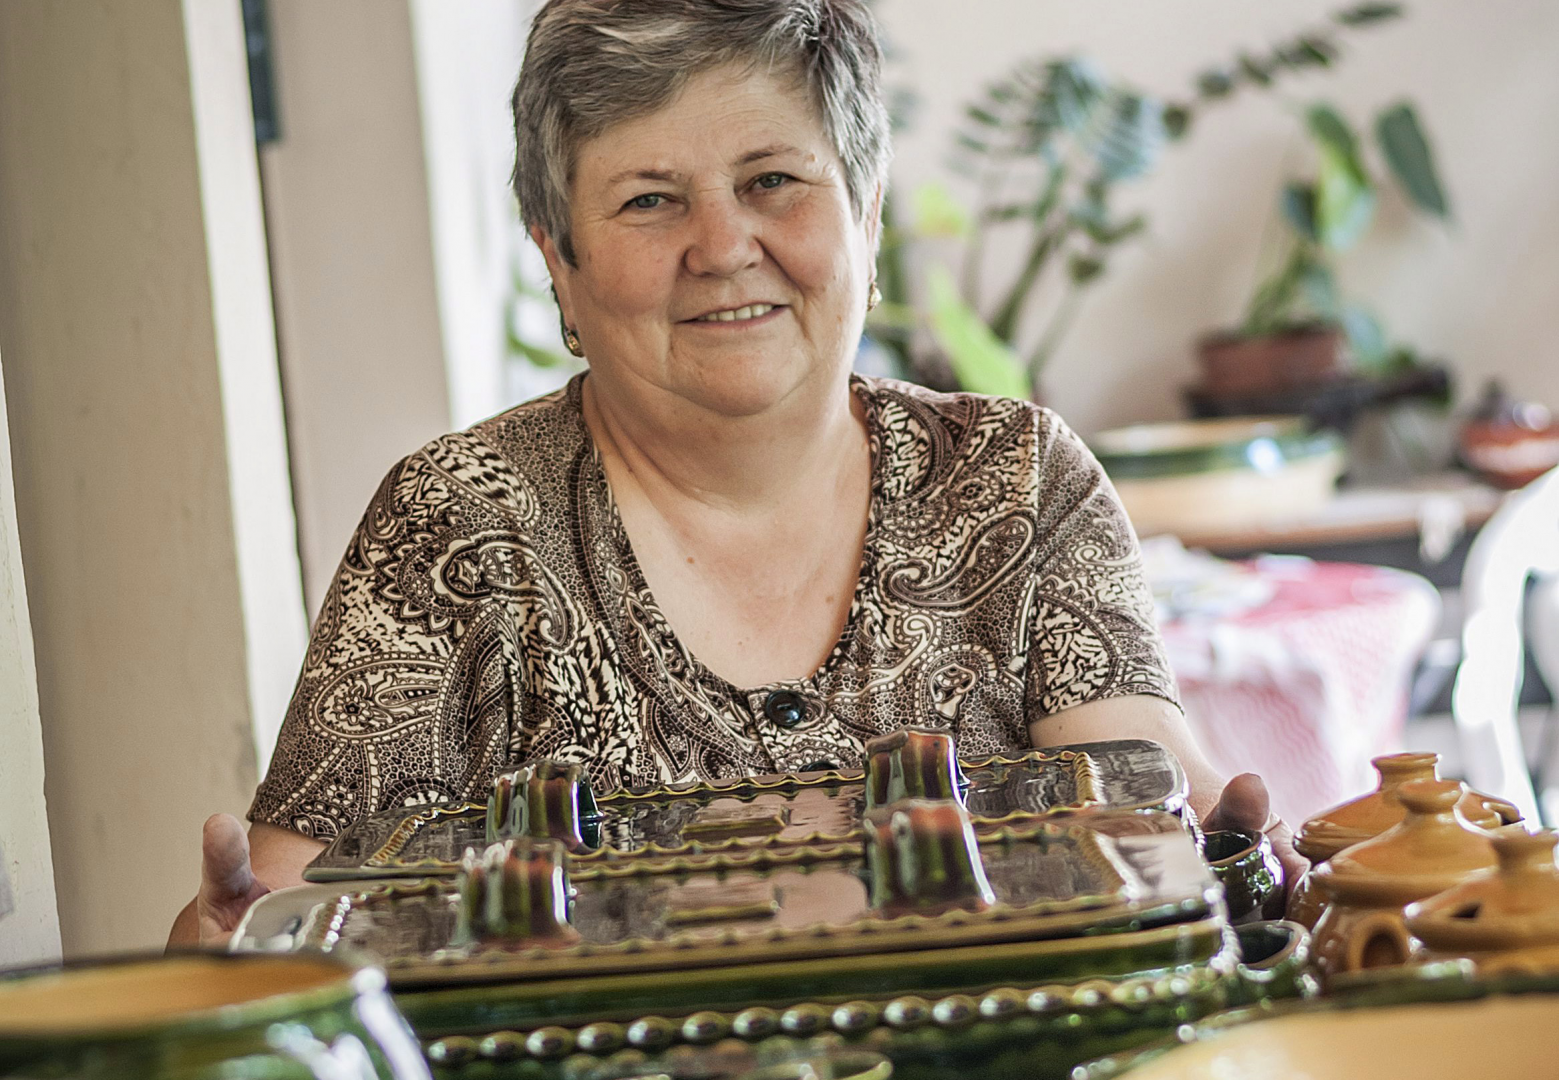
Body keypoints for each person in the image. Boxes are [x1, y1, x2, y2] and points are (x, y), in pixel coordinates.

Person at [169, 0, 1299, 949]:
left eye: (771, 180)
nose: (720, 247)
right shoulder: (458, 521)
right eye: (648, 199)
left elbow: (1148, 799)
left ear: (864, 214)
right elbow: (281, 921)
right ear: (559, 261)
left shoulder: (1012, 479)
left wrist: (1233, 847)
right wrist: (222, 944)